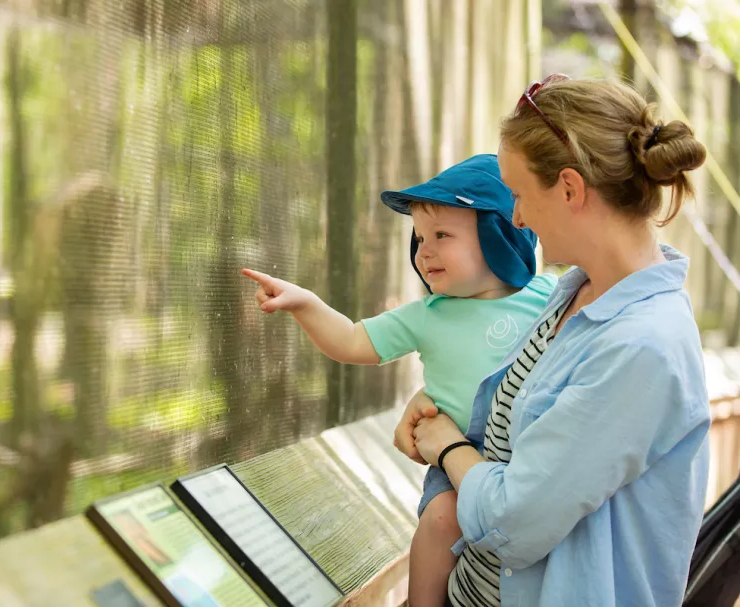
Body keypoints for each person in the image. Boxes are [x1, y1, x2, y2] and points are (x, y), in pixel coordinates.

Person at [395, 75, 711, 606]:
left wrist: (446, 444)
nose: (516, 217)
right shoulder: (573, 292)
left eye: (518, 195)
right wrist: (439, 402)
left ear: (569, 188)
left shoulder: (640, 348)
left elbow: (516, 522)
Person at [242, 154, 556, 606]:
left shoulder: (549, 294)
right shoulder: (427, 316)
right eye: (420, 237)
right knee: (442, 519)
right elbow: (352, 341)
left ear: (500, 236)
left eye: (442, 236)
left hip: (531, 456)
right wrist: (305, 304)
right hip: (457, 456)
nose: (423, 250)